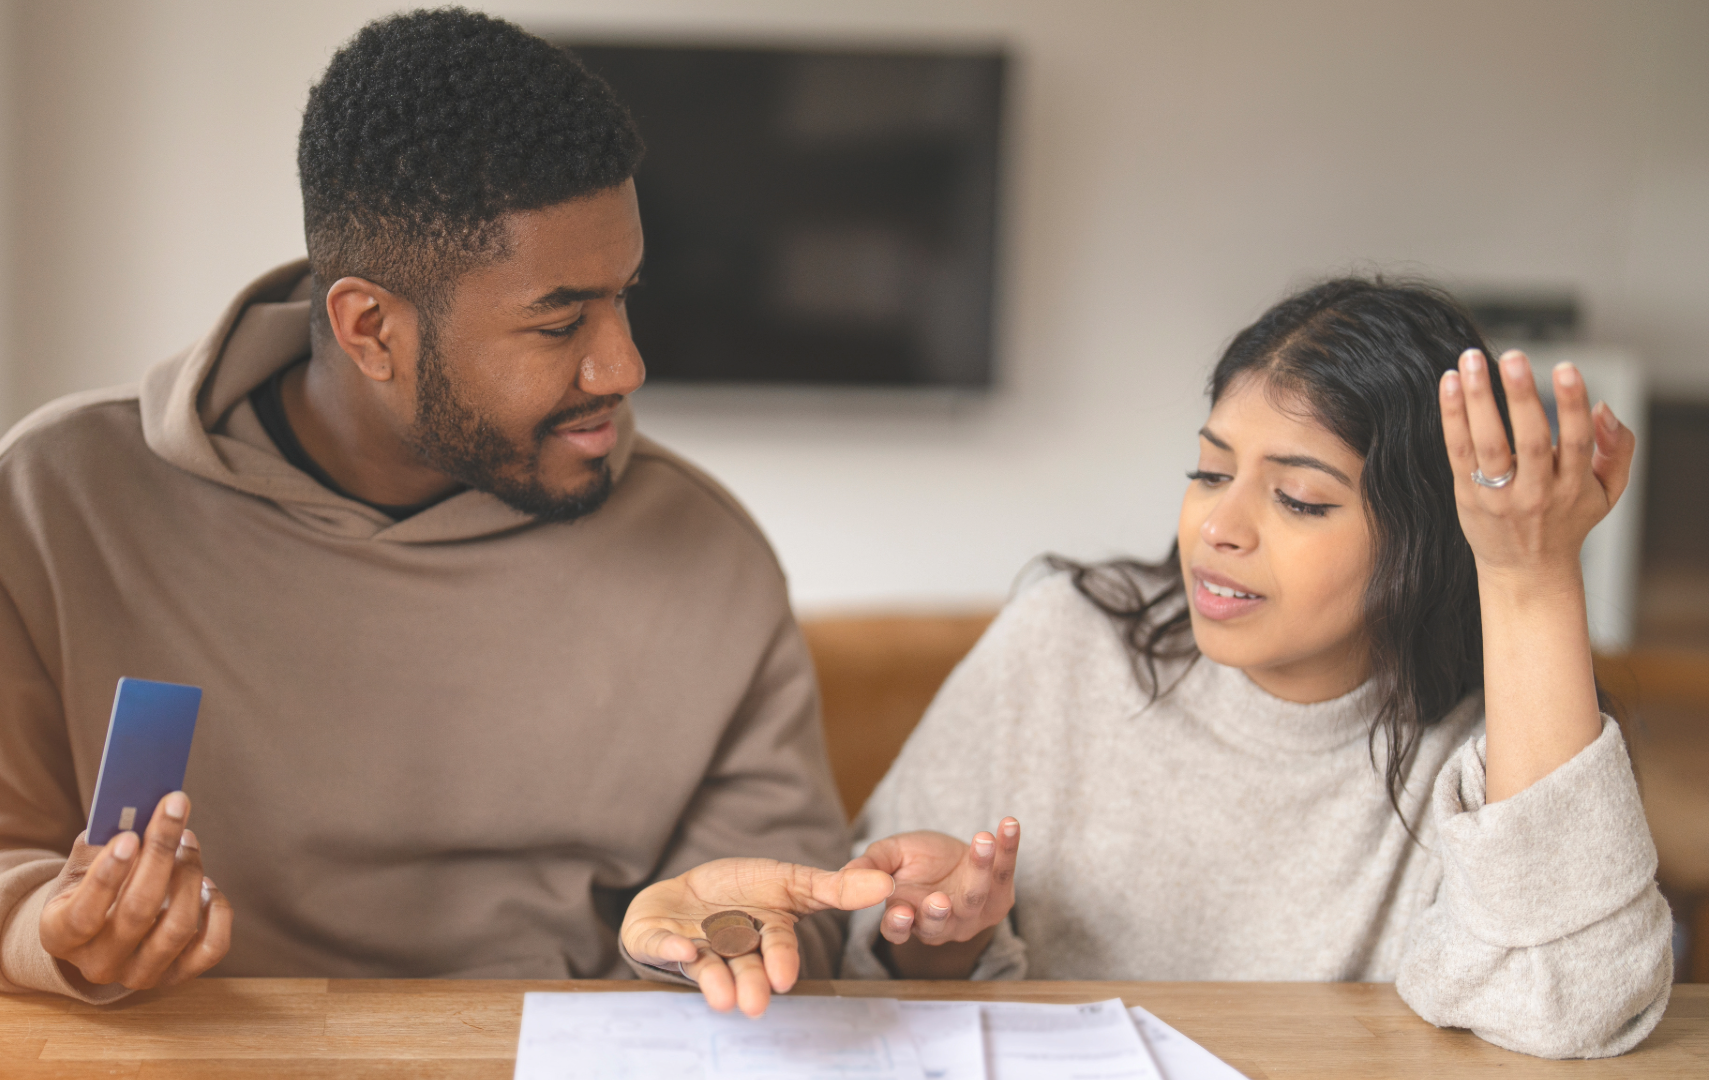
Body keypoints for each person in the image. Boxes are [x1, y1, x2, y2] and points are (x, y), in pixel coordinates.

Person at [0, 7, 890, 1004]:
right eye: (559, 321)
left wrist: (724, 941)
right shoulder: (57, 506)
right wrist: (56, 930)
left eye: (625, 295)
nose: (625, 364)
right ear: (369, 328)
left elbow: (774, 882)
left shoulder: (703, 550)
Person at [621, 279, 1673, 1058]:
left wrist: (1532, 576)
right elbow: (866, 969)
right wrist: (937, 940)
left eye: (1299, 499)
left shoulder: (1495, 748)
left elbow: (1577, 1005)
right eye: (1209, 470)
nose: (1218, 527)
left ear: (1436, 537)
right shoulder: (1064, 643)